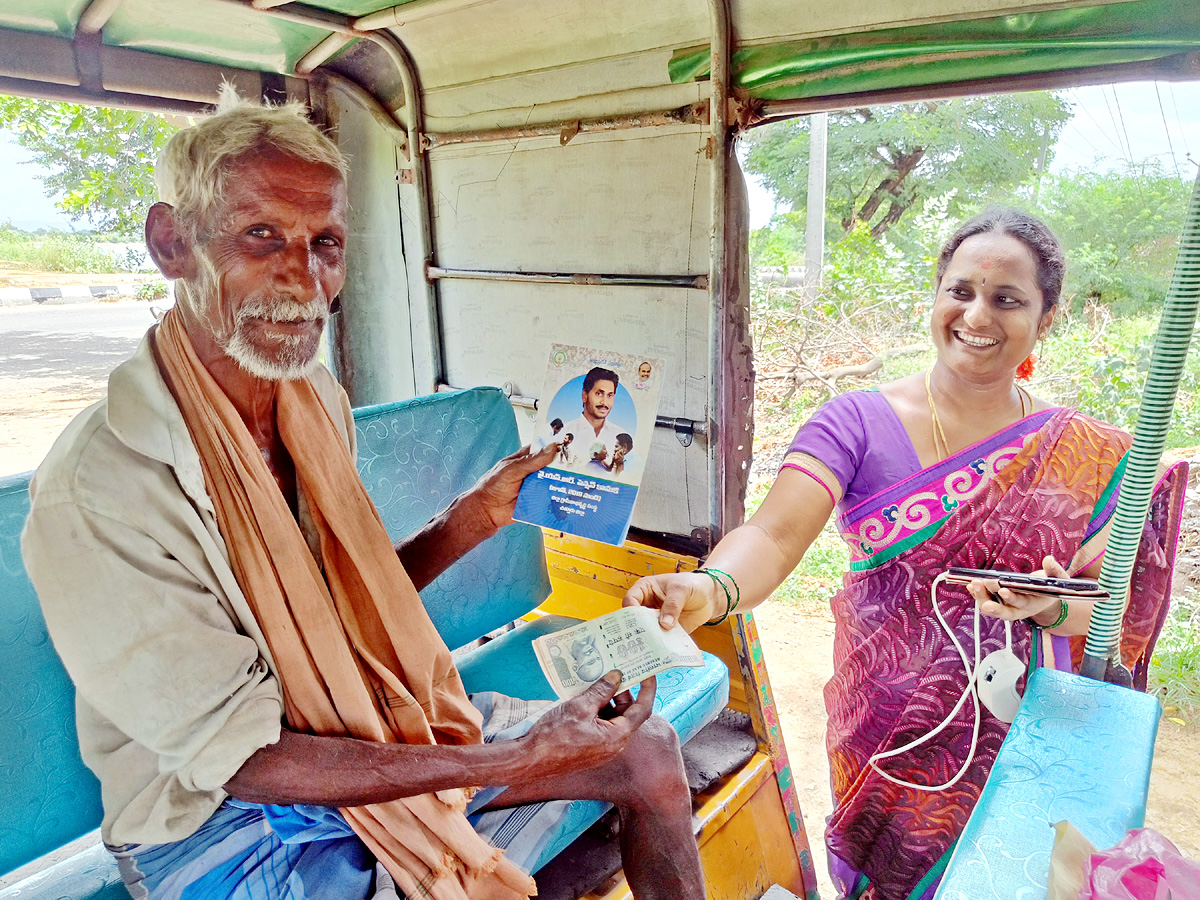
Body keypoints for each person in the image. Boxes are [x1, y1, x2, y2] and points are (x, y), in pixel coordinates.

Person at [21, 93, 704, 900]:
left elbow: (345, 612)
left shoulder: (311, 399)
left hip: (360, 719)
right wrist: (514, 758)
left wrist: (476, 515)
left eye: (327, 243)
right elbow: (242, 758)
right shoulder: (101, 488)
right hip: (218, 818)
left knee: (647, 747)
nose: (305, 279)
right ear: (172, 242)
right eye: (261, 235)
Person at [623, 208, 1184, 900]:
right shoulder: (854, 423)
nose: (977, 314)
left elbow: (1108, 615)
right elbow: (771, 535)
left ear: (1047, 317)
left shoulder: (1085, 455)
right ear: (936, 295)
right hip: (885, 737)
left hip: (1022, 737)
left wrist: (1048, 605)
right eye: (961, 290)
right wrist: (709, 589)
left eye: (1008, 299)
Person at [562, 367, 626, 462]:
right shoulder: (563, 434)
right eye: (599, 394)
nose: (604, 402)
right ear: (585, 396)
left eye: (609, 396)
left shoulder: (622, 437)